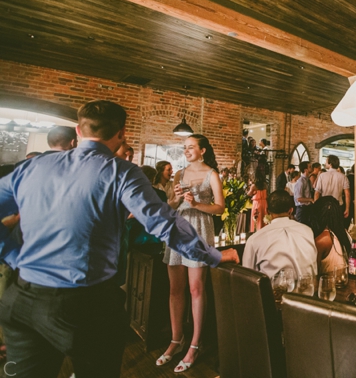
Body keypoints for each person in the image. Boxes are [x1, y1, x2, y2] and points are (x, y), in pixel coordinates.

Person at [0, 100, 238, 378]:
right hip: (89, 306)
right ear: (122, 133)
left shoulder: (34, 166)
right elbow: (165, 225)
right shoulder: (121, 172)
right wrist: (213, 255)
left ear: (78, 129)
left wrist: (15, 255)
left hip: (24, 298)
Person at [161, 134, 226, 372]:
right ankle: (175, 340)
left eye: (190, 147)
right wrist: (177, 199)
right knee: (175, 289)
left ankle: (195, 345)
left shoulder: (212, 174)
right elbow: (168, 207)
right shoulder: (179, 174)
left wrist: (197, 204)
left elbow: (220, 208)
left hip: (199, 229)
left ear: (203, 150)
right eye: (184, 148)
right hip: (177, 229)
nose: (186, 151)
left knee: (195, 288)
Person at [243, 190, 317, 279]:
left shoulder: (254, 239)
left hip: (275, 291)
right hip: (308, 290)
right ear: (291, 211)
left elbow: (247, 277)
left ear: (267, 211)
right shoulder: (308, 231)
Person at [305, 196, 351, 275]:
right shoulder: (344, 233)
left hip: (329, 285)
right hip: (343, 281)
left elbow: (313, 273)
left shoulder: (323, 240)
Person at [314, 155, 350, 220]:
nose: (325, 163)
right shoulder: (343, 177)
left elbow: (317, 193)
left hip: (324, 206)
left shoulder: (322, 176)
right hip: (338, 206)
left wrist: (316, 207)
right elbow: (347, 194)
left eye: (326, 161)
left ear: (330, 164)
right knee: (336, 226)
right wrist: (347, 208)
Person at [248, 165, 268, 231]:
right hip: (264, 203)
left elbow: (249, 194)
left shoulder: (254, 185)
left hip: (257, 204)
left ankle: (256, 230)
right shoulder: (265, 184)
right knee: (263, 218)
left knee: (257, 218)